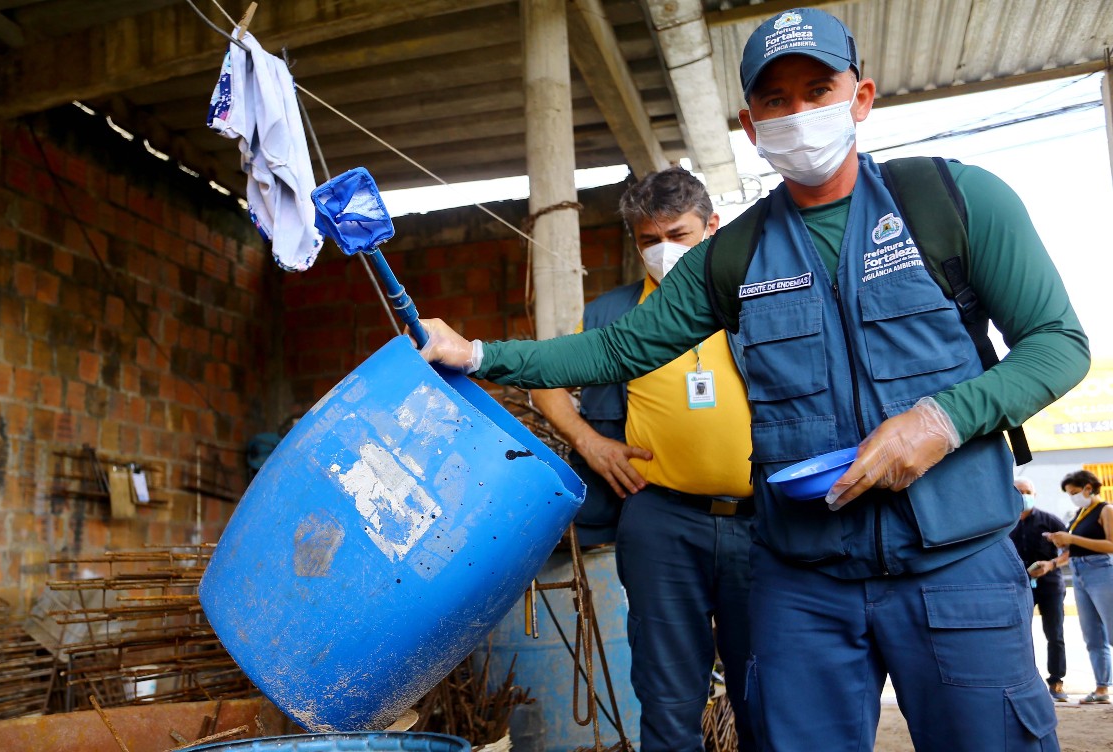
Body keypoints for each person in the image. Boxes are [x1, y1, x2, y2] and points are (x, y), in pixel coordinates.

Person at [415, 7, 1090, 750]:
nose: (799, 113)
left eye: (817, 89)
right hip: (807, 581)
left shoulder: (953, 203)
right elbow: (616, 352)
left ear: (860, 98)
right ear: (750, 124)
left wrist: (942, 420)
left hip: (955, 564)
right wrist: (478, 353)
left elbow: (1057, 345)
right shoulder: (732, 257)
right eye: (776, 100)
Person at [530, 167, 755, 752]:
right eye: (649, 240)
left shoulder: (753, 300)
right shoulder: (614, 315)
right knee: (666, 692)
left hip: (763, 520)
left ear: (713, 227)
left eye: (678, 235)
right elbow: (546, 385)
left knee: (770, 687)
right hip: (660, 520)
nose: (664, 251)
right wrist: (591, 442)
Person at [1037, 470, 1113, 705]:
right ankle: (1102, 688)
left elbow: (1110, 544)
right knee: (1093, 636)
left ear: (1089, 487)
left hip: (1101, 570)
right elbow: (1074, 550)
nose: (1073, 497)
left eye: (1075, 492)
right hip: (1080, 572)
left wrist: (1072, 539)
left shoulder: (1105, 510)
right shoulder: (1081, 513)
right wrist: (1053, 562)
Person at [1009, 477, 1068, 701]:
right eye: (1019, 491)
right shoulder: (1004, 524)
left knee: (1055, 634)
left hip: (1050, 585)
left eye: (1028, 492)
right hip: (1017, 585)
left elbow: (1071, 550)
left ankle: (1056, 682)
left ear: (1035, 494)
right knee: (1019, 634)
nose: (1024, 496)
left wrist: (1051, 564)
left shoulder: (1050, 521)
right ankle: (1024, 682)